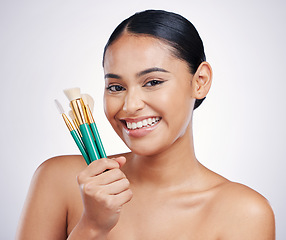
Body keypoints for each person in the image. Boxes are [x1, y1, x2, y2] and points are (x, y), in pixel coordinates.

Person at [16, 10, 275, 239]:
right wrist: (92, 226)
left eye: (153, 82)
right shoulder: (60, 180)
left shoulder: (244, 213)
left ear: (200, 81)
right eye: (116, 87)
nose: (130, 105)